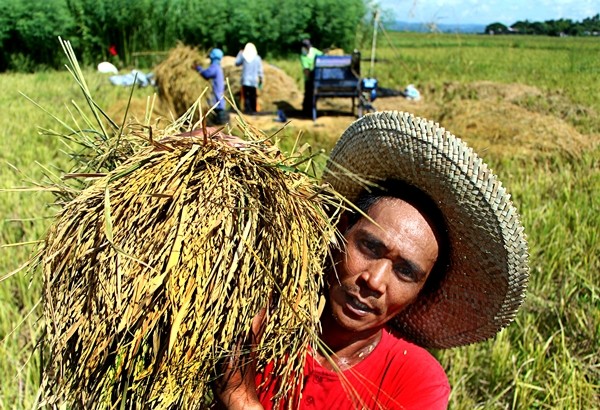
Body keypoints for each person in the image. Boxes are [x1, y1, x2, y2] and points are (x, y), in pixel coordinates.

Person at [216, 111, 530, 409]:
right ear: (341, 230)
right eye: (368, 247)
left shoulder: (414, 380)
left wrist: (241, 398)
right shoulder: (259, 316)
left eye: (405, 272)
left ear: (423, 290)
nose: (375, 281)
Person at [195, 48, 229, 125]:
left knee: (217, 126)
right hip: (219, 101)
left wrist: (197, 68)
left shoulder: (214, 67)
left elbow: (206, 74)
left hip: (217, 103)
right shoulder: (218, 67)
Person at [235, 42, 264, 114]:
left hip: (245, 80)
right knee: (253, 95)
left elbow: (237, 63)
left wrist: (240, 53)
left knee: (246, 96)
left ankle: (247, 110)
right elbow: (260, 70)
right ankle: (253, 110)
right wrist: (261, 79)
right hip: (254, 81)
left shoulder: (243, 57)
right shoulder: (257, 58)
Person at [300, 39, 323, 117]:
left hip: (317, 75)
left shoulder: (313, 51)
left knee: (313, 94)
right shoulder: (303, 56)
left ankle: (311, 109)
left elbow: (321, 56)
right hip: (309, 77)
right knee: (308, 94)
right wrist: (310, 78)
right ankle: (306, 111)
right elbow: (306, 70)